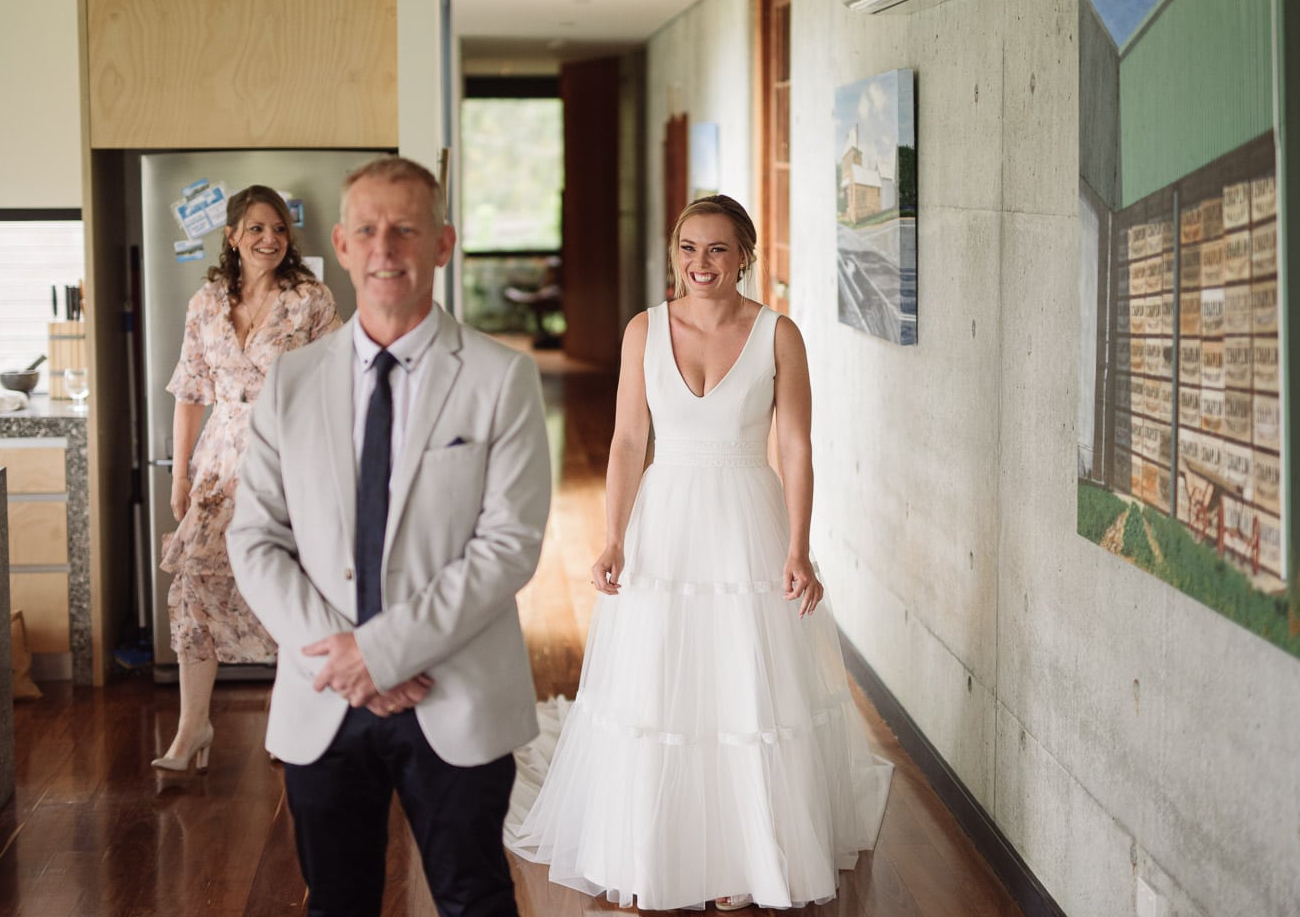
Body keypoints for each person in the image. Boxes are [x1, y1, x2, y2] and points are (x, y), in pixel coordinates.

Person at [506, 195, 893, 911]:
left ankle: (745, 857)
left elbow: (799, 446)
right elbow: (626, 440)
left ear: (744, 254)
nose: (701, 264)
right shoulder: (643, 329)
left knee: (744, 679)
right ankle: (656, 846)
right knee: (660, 677)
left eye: (717, 249)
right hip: (667, 518)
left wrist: (800, 547)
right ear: (674, 251)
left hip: (749, 516)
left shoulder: (779, 333)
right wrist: (615, 534)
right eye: (689, 248)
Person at [227, 156, 552, 917]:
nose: (385, 248)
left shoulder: (501, 377)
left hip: (457, 693)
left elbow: (508, 544)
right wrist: (347, 661)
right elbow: (256, 538)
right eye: (368, 230)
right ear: (339, 244)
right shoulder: (292, 380)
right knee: (337, 902)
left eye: (405, 229)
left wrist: (382, 652)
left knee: (475, 897)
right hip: (323, 699)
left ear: (441, 242)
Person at [153, 184, 342, 772]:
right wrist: (179, 475)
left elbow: (340, 385)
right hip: (217, 466)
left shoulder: (310, 299)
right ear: (232, 236)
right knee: (193, 590)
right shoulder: (205, 304)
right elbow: (189, 394)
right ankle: (192, 729)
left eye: (280, 229)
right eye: (257, 229)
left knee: (290, 590)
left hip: (290, 459)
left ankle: (294, 727)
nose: (270, 239)